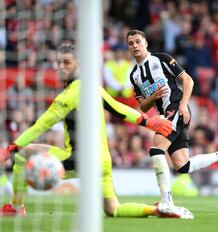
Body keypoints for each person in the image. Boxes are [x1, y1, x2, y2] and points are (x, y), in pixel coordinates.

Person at [0, 43, 192, 219]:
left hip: (79, 159)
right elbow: (119, 108)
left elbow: (40, 125)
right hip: (103, 162)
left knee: (22, 155)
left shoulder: (70, 94)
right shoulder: (93, 87)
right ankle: (159, 209)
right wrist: (149, 123)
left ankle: (16, 207)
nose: (60, 67)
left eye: (66, 62)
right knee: (113, 209)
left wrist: (11, 148)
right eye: (59, 63)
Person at [126, 29, 218, 209]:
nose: (135, 46)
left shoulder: (161, 59)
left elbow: (188, 80)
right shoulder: (134, 75)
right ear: (129, 48)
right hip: (165, 113)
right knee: (182, 165)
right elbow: (143, 106)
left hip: (175, 106)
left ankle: (166, 201)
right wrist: (152, 98)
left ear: (146, 43)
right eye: (131, 43)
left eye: (138, 41)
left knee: (156, 148)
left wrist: (183, 105)